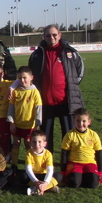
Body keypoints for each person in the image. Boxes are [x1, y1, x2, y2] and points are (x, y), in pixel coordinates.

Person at [28, 24, 85, 153]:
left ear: (59, 35)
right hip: (45, 102)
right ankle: (46, 163)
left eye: (54, 35)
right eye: (48, 35)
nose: (51, 37)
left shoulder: (69, 52)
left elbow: (80, 71)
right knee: (45, 137)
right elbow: (31, 75)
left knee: (69, 135)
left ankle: (69, 163)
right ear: (44, 37)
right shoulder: (37, 54)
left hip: (66, 102)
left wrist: (72, 86)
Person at [6, 66, 42, 170]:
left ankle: (29, 165)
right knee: (16, 143)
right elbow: (11, 108)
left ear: (31, 77)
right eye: (20, 78)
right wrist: (11, 122)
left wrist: (37, 125)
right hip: (17, 124)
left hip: (29, 125)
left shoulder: (35, 92)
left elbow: (38, 109)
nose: (22, 80)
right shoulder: (16, 91)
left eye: (25, 78)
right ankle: (14, 165)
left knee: (28, 144)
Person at [61, 108, 102, 189]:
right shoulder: (70, 135)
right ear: (74, 121)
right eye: (78, 121)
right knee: (74, 183)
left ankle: (84, 175)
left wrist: (101, 172)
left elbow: (99, 153)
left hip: (90, 163)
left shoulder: (93, 135)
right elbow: (64, 153)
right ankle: (79, 176)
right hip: (75, 163)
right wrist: (63, 172)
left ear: (89, 122)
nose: (81, 124)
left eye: (84, 121)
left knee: (93, 184)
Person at [19, 130, 62, 195]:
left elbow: (50, 170)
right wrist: (36, 181)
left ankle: (37, 189)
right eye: (34, 142)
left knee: (59, 176)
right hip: (34, 176)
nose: (37, 144)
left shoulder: (48, 154)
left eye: (39, 142)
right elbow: (28, 170)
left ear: (45, 144)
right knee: (23, 176)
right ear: (30, 143)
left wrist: (46, 182)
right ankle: (49, 187)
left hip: (44, 175)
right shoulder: (28, 153)